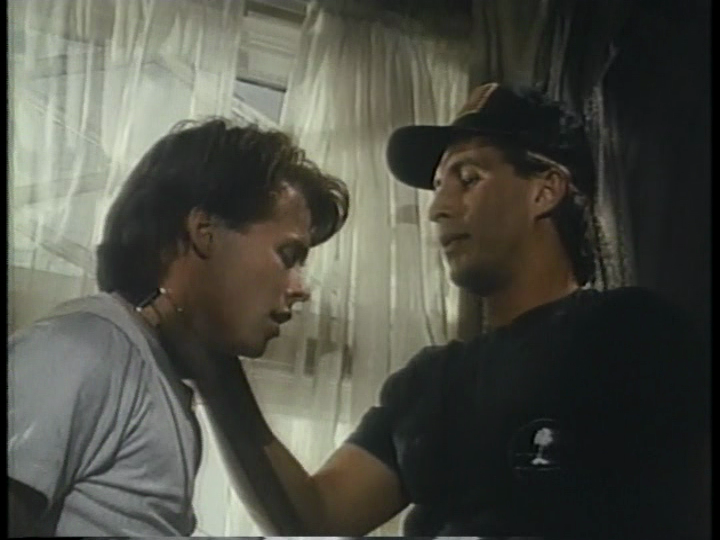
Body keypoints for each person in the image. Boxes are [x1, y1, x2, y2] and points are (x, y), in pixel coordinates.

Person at [178, 83, 708, 539]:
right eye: (437, 187)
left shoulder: (630, 334)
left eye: (468, 178)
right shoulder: (430, 382)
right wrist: (215, 371)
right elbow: (316, 514)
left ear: (545, 191)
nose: (438, 208)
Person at [7, 118, 349, 537]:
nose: (301, 289)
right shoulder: (85, 349)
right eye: (288, 255)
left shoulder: (154, 374)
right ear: (204, 231)